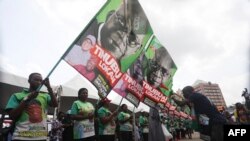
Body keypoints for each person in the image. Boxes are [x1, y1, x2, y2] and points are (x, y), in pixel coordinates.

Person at [5, 72, 58, 141]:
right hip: (20, 137)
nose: (39, 82)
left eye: (40, 80)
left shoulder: (45, 96)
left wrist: (49, 87)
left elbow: (55, 105)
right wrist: (27, 99)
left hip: (41, 137)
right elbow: (12, 115)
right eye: (36, 80)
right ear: (29, 81)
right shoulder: (17, 95)